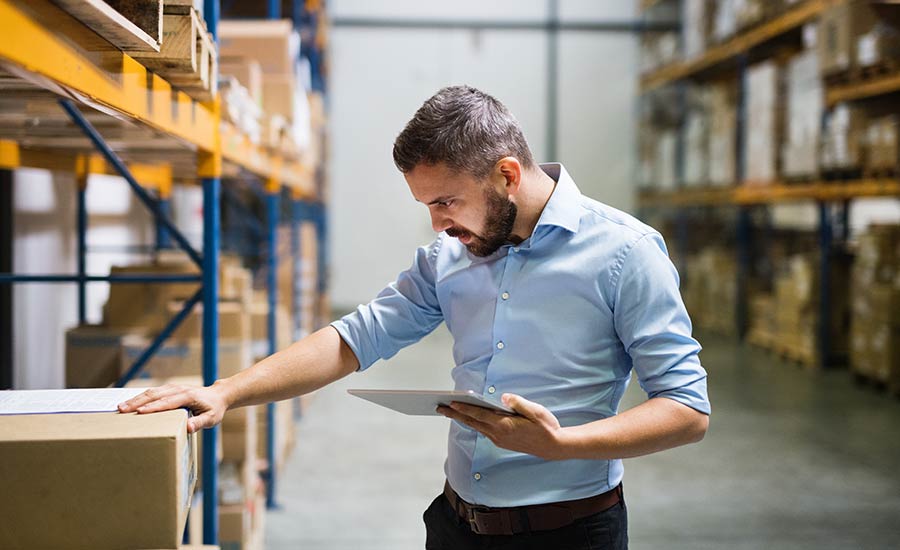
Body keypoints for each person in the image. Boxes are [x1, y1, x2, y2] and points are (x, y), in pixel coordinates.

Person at [119, 85, 710, 550]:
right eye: (427, 205)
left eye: (445, 202)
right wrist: (226, 392)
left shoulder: (626, 253)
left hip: (572, 532)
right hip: (457, 525)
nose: (437, 225)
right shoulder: (450, 256)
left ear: (506, 174)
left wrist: (563, 445)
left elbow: (686, 410)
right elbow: (354, 338)